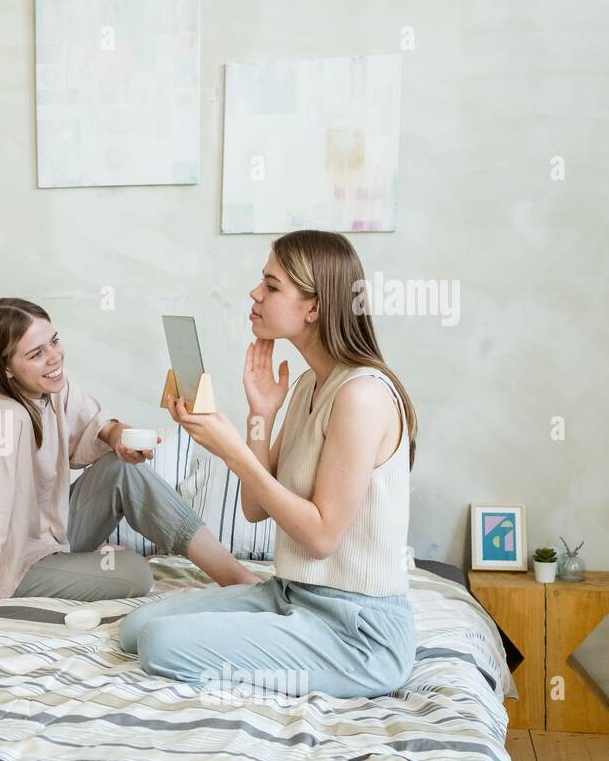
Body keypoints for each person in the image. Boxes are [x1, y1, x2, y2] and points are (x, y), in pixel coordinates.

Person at [120, 230, 419, 698]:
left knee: (160, 644)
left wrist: (232, 449)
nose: (254, 294)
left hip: (356, 634)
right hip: (290, 595)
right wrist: (260, 415)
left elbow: (321, 537)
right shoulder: (308, 385)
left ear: (315, 307)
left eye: (272, 285)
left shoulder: (362, 395)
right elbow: (256, 508)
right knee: (134, 628)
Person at [0, 297, 256, 621]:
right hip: (7, 568)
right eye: (36, 354)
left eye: (54, 342)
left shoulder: (49, 386)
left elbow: (92, 423)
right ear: (6, 367)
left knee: (120, 469)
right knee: (136, 573)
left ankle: (238, 578)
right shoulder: (1, 424)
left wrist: (117, 435)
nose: (54, 357)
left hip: (47, 534)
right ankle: (87, 566)